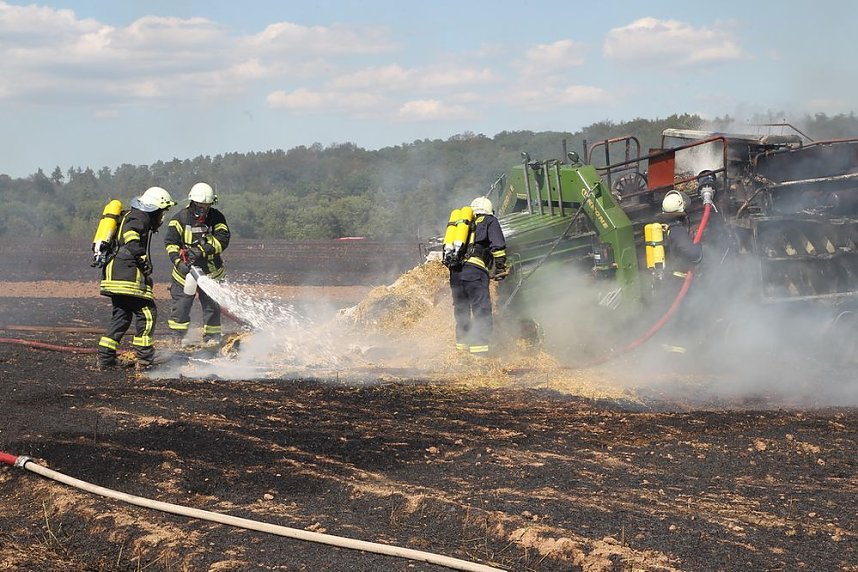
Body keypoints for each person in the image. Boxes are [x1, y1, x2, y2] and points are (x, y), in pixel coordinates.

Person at [97, 186, 177, 369]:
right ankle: (145, 356)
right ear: (154, 208)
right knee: (147, 312)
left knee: (122, 315)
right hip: (126, 275)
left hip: (113, 274)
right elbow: (131, 234)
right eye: (162, 212)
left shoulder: (130, 215)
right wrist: (142, 257)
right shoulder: (140, 217)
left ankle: (106, 358)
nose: (162, 217)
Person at [163, 182, 231, 346]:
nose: (203, 209)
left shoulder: (217, 217)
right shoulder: (179, 219)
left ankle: (212, 338)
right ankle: (177, 336)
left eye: (207, 206)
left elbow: (223, 239)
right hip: (185, 272)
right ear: (192, 202)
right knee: (181, 305)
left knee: (212, 306)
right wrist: (178, 262)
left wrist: (201, 250)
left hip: (211, 273)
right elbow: (170, 243)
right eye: (200, 206)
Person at [449, 196, 507, 356]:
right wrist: (500, 268)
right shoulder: (489, 220)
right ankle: (480, 354)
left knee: (462, 312)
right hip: (474, 274)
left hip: (455, 274)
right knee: (481, 311)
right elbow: (498, 246)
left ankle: (461, 352)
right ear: (488, 210)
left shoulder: (462, 225)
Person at [660, 189, 702, 272]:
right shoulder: (677, 230)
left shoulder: (667, 226)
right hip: (679, 275)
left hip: (671, 271)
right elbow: (693, 254)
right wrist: (700, 246)